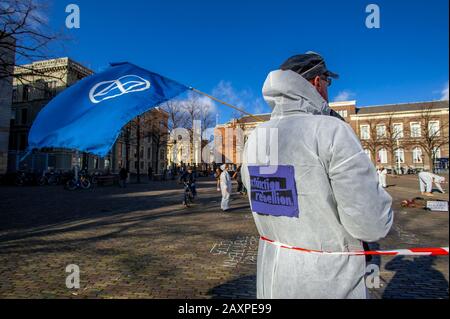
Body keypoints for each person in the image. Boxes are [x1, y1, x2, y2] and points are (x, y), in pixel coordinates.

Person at [241, 52, 393, 299]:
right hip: (330, 281)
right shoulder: (333, 131)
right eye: (328, 82)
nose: (328, 89)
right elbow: (370, 224)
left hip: (272, 278)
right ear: (316, 82)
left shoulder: (256, 137)